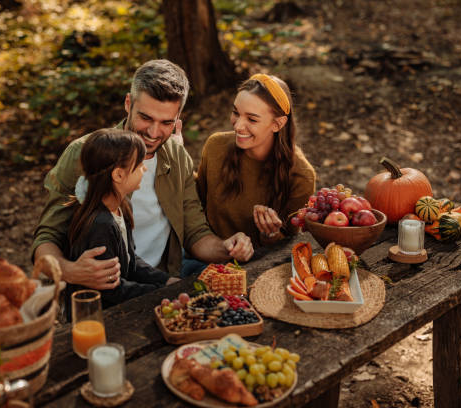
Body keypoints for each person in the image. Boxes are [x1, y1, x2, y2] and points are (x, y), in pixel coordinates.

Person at [32, 59, 253, 289]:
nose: (153, 132)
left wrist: (228, 247)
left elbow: (195, 233)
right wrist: (72, 271)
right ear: (128, 104)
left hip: (159, 278)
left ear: (178, 119)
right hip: (101, 293)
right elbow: (46, 239)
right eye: (145, 118)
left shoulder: (177, 158)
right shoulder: (85, 153)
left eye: (166, 122)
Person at [196, 73, 316, 247]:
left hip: (258, 267)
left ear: (278, 124)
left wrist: (271, 234)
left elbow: (289, 246)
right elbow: (196, 202)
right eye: (236, 113)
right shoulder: (216, 146)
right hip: (207, 253)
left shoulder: (301, 176)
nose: (237, 126)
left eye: (252, 119)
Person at [64, 128, 169, 313]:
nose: (144, 168)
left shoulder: (122, 207)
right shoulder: (100, 225)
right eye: (139, 166)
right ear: (119, 175)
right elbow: (111, 288)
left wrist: (165, 280)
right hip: (99, 317)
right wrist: (160, 293)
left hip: (120, 305)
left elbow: (130, 260)